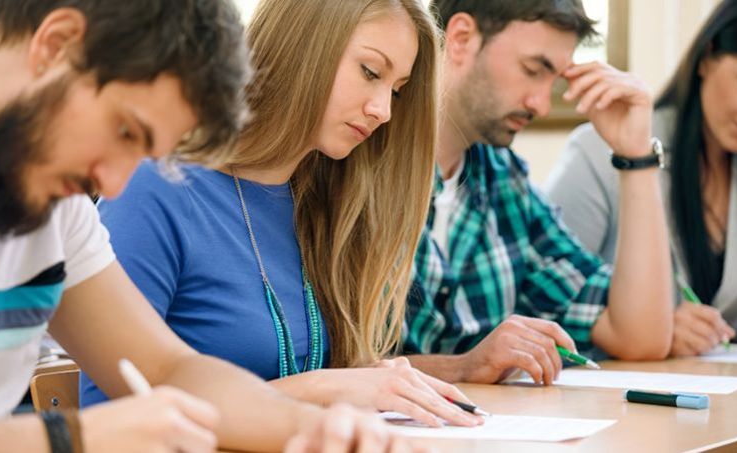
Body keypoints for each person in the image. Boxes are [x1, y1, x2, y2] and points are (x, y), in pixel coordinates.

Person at [0, 1, 414, 451]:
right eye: (127, 132)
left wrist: (309, 426)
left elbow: (169, 368)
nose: (112, 186)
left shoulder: (58, 206)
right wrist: (77, 438)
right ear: (56, 45)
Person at [79, 0, 482, 430]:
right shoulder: (156, 187)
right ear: (303, 47)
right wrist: (324, 389)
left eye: (396, 90)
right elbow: (110, 414)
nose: (383, 110)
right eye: (370, 72)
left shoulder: (328, 202)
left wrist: (365, 382)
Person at [402, 0, 674, 385]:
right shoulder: (361, 164)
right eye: (533, 70)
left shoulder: (503, 181)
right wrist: (462, 368)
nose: (542, 105)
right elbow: (322, 364)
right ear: (461, 38)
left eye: (555, 81)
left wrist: (635, 155)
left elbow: (640, 336)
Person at [545, 0, 737, 356]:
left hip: (711, 393)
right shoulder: (599, 150)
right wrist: (648, 325)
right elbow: (535, 299)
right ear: (707, 57)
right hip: (605, 392)